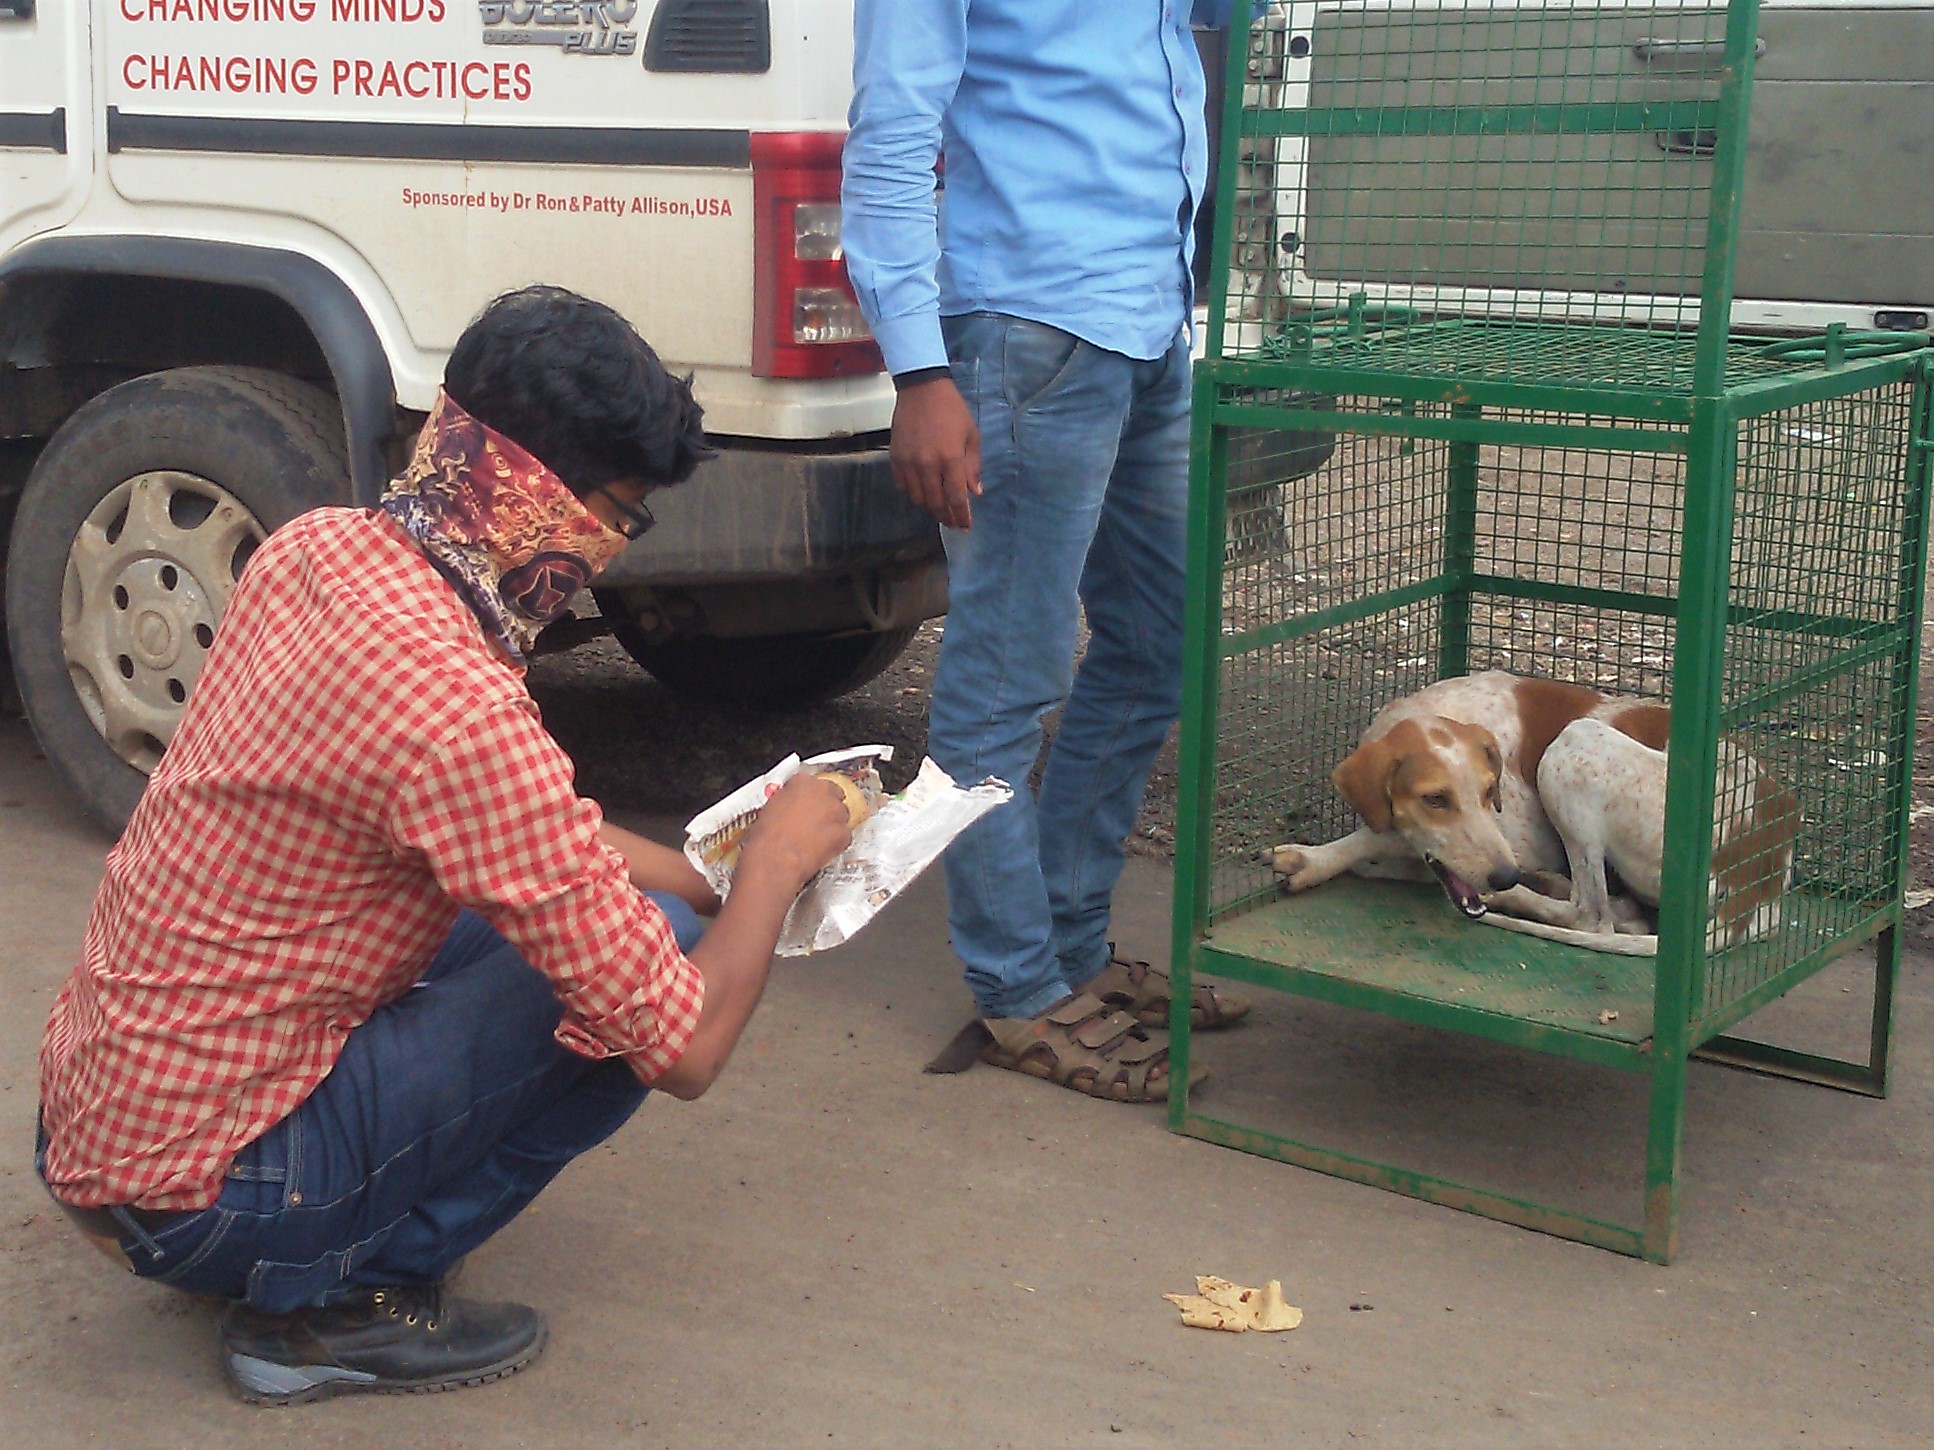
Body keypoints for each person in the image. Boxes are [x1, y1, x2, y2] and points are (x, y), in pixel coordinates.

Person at [34, 285, 854, 1405]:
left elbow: (531, 835)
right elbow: (686, 1052)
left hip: (103, 1130)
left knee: (624, 919)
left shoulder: (322, 551)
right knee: (632, 992)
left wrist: (709, 872)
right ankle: (330, 1303)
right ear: (537, 493)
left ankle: (299, 1239)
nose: (614, 549)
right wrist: (773, 870)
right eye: (619, 511)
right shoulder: (454, 707)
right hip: (204, 1196)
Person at [841, 0, 1250, 1104]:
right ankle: (1018, 987)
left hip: (1149, 318)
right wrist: (919, 373)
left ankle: (1072, 949)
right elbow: (889, 132)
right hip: (1025, 329)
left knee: (1155, 643)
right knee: (1003, 683)